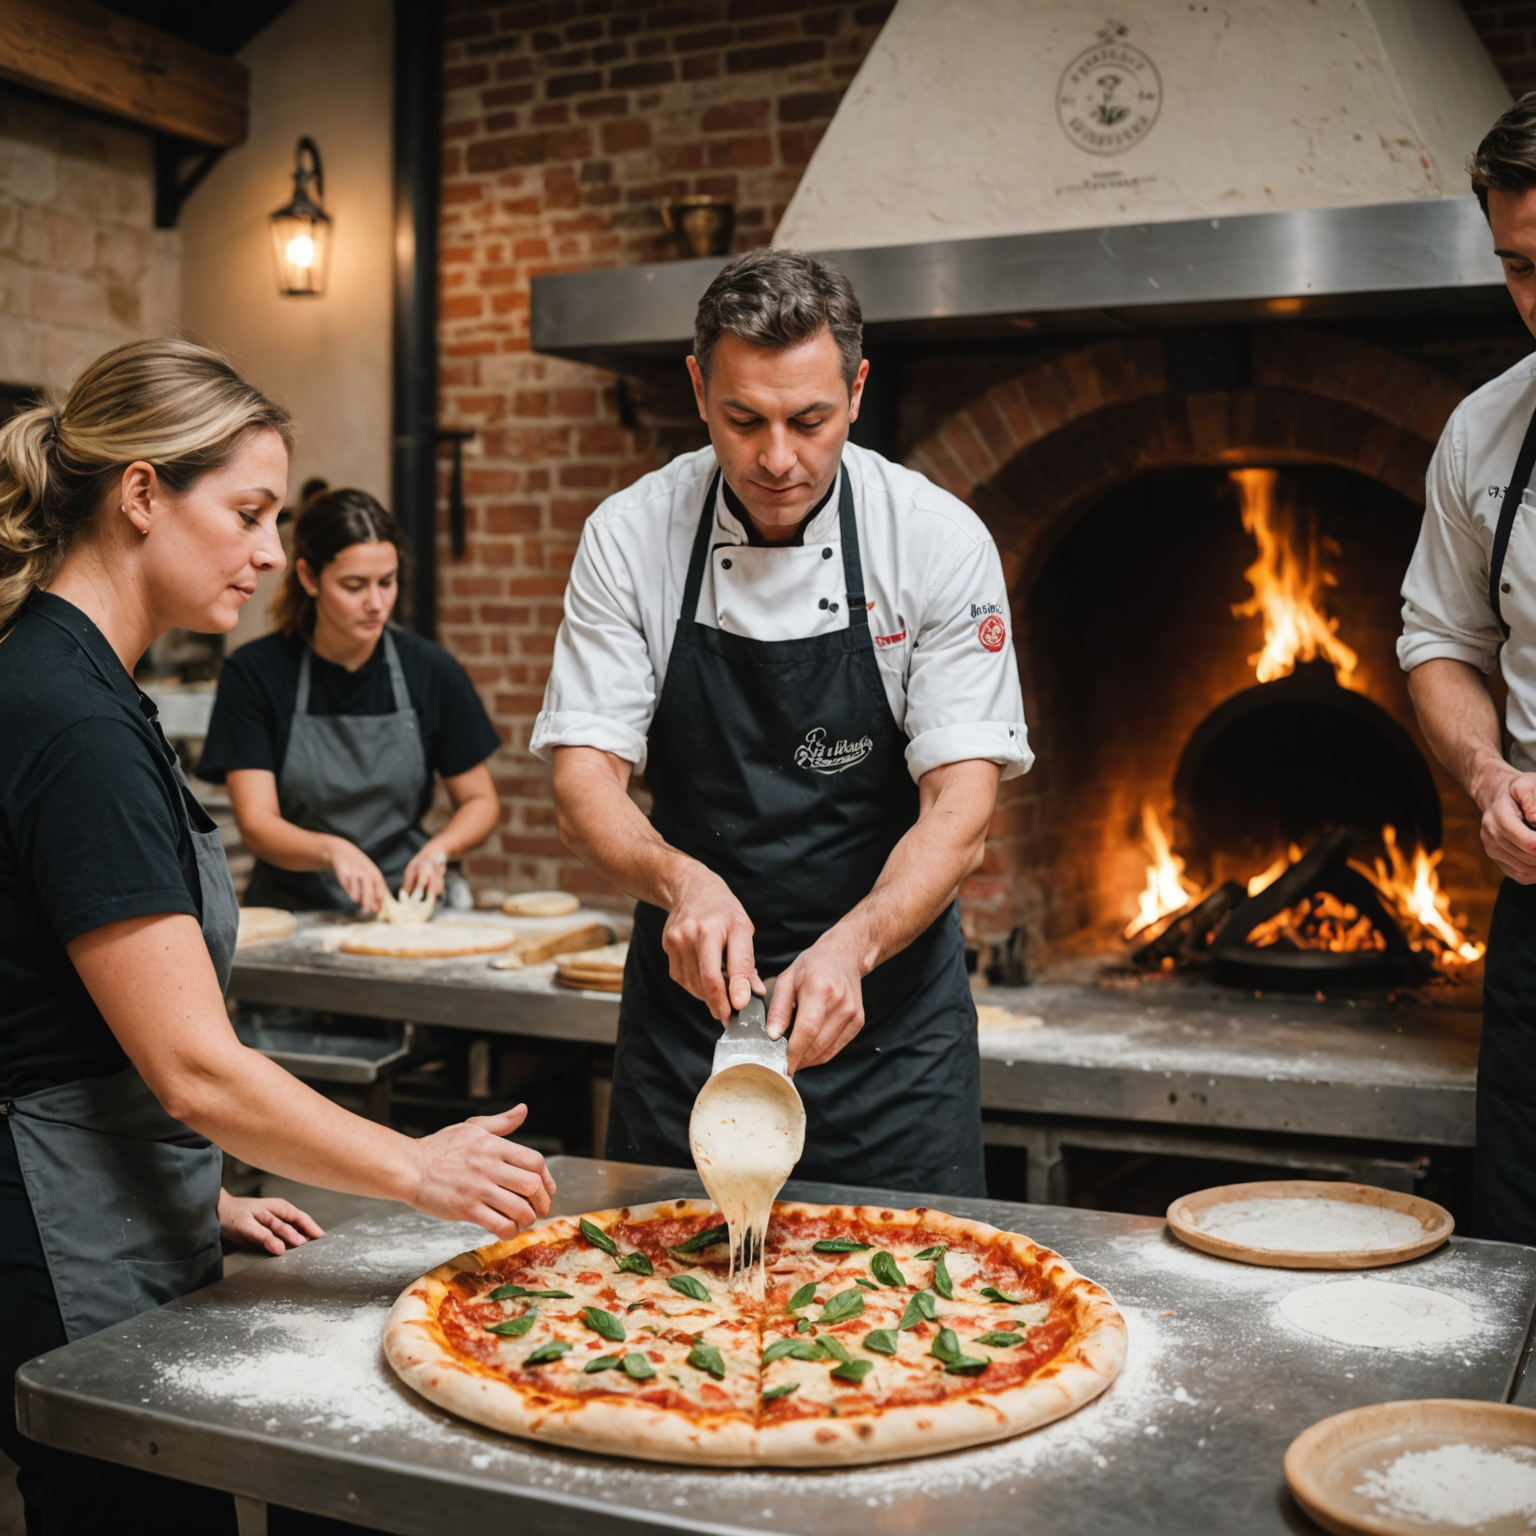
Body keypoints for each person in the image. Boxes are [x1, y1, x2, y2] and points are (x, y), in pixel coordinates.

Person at [0, 339, 555, 1533]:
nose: (267, 555)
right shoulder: (71, 721)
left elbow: (39, 1000)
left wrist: (194, 1198)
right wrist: (417, 1170)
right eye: (248, 513)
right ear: (142, 494)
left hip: (113, 1197)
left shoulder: (80, 685)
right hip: (57, 1238)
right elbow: (192, 1064)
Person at [534, 249, 1031, 1196]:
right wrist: (678, 881)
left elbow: (959, 811)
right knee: (656, 1314)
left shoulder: (933, 539)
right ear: (696, 387)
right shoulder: (631, 536)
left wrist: (855, 944)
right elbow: (582, 785)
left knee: (920, 1322)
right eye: (742, 419)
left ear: (856, 388)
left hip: (889, 1035)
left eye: (809, 420)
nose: (776, 459)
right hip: (691, 1024)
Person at [1400, 92, 1536, 1248]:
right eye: (1522, 269)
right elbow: (1438, 638)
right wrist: (1492, 779)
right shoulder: (1486, 432)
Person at [200, 487, 501, 913]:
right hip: (295, 908)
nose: (376, 604)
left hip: (407, 901)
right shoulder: (255, 674)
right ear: (308, 578)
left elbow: (480, 801)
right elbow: (256, 821)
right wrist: (332, 851)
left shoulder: (431, 671)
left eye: (387, 582)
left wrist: (440, 850)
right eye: (354, 585)